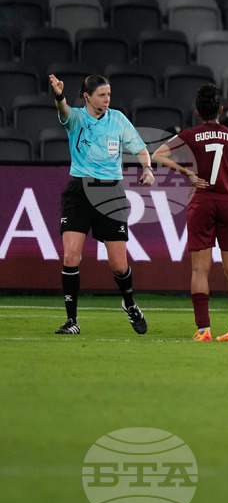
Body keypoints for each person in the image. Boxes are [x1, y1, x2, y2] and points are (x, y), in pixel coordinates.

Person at [48, 73, 153, 335]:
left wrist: (148, 168)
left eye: (108, 95)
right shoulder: (75, 118)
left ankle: (129, 303)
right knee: (70, 257)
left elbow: (140, 148)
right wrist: (59, 95)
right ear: (87, 97)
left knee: (118, 264)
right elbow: (63, 110)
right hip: (79, 190)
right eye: (101, 95)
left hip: (110, 192)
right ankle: (72, 321)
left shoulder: (117, 119)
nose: (107, 99)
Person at [153, 85, 228, 342]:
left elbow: (158, 155)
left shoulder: (190, 135)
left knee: (199, 270)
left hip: (202, 202)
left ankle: (203, 329)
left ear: (197, 112)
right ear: (221, 110)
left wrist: (187, 173)